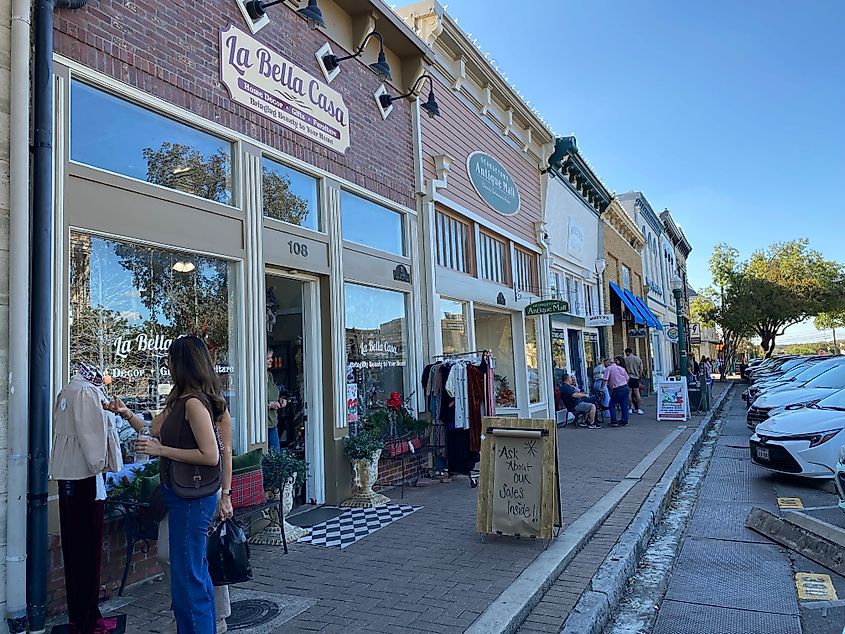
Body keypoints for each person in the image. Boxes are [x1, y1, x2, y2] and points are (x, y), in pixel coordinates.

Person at [107, 336, 224, 634]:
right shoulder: (179, 400)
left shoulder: (195, 403)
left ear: (180, 363)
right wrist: (126, 413)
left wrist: (162, 451)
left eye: (170, 358)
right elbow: (151, 429)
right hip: (178, 493)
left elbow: (210, 455)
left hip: (193, 498)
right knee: (188, 575)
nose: (167, 363)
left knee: (189, 578)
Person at [266, 348, 288, 451]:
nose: (271, 360)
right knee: (273, 456)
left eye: (271, 358)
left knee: (276, 454)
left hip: (272, 420)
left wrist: (280, 400)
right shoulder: (257, 377)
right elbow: (253, 400)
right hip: (263, 423)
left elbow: (272, 393)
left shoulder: (269, 375)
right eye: (268, 358)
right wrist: (269, 405)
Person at [606, 356, 632, 427]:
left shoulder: (609, 369)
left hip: (617, 389)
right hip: (625, 387)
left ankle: (614, 421)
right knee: (624, 405)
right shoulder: (622, 368)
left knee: (612, 404)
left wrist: (602, 388)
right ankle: (625, 421)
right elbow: (627, 379)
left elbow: (605, 379)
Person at [624, 348, 645, 415]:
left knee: (629, 394)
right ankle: (639, 408)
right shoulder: (638, 359)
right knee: (637, 393)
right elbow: (641, 369)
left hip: (628, 378)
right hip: (636, 378)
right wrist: (640, 377)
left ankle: (630, 408)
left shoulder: (625, 360)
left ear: (627, 352)